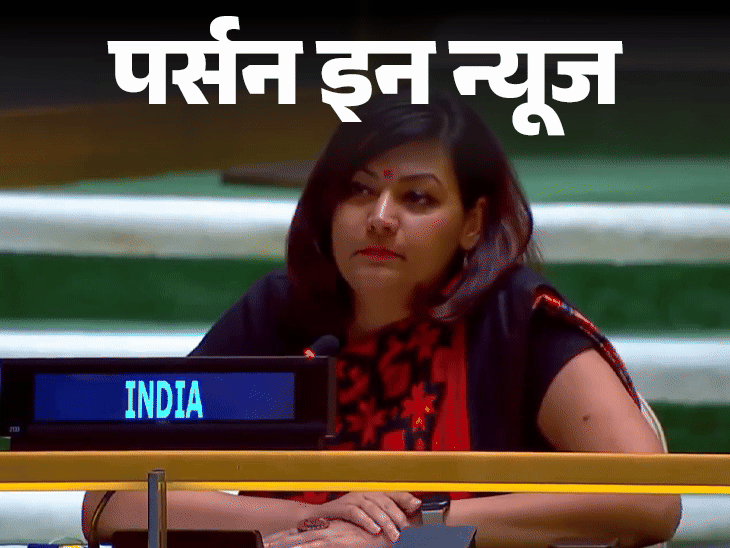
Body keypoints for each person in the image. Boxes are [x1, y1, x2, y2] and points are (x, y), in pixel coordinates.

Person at [82, 90, 681, 548]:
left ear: (472, 223)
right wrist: (319, 519)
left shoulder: (516, 324)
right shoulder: (282, 316)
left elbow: (650, 500)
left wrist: (410, 532)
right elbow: (112, 502)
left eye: (417, 198)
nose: (380, 217)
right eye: (360, 191)